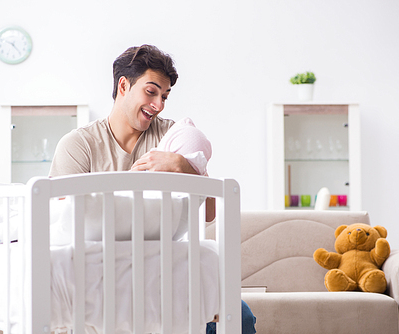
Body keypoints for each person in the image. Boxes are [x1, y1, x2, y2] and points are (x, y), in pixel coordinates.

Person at [49, 44, 255, 333]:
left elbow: (208, 214)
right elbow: (63, 220)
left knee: (240, 315)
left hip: (162, 267)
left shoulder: (172, 135)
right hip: (103, 270)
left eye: (165, 96)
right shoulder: (79, 145)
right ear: (123, 85)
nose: (158, 104)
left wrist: (185, 168)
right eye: (151, 91)